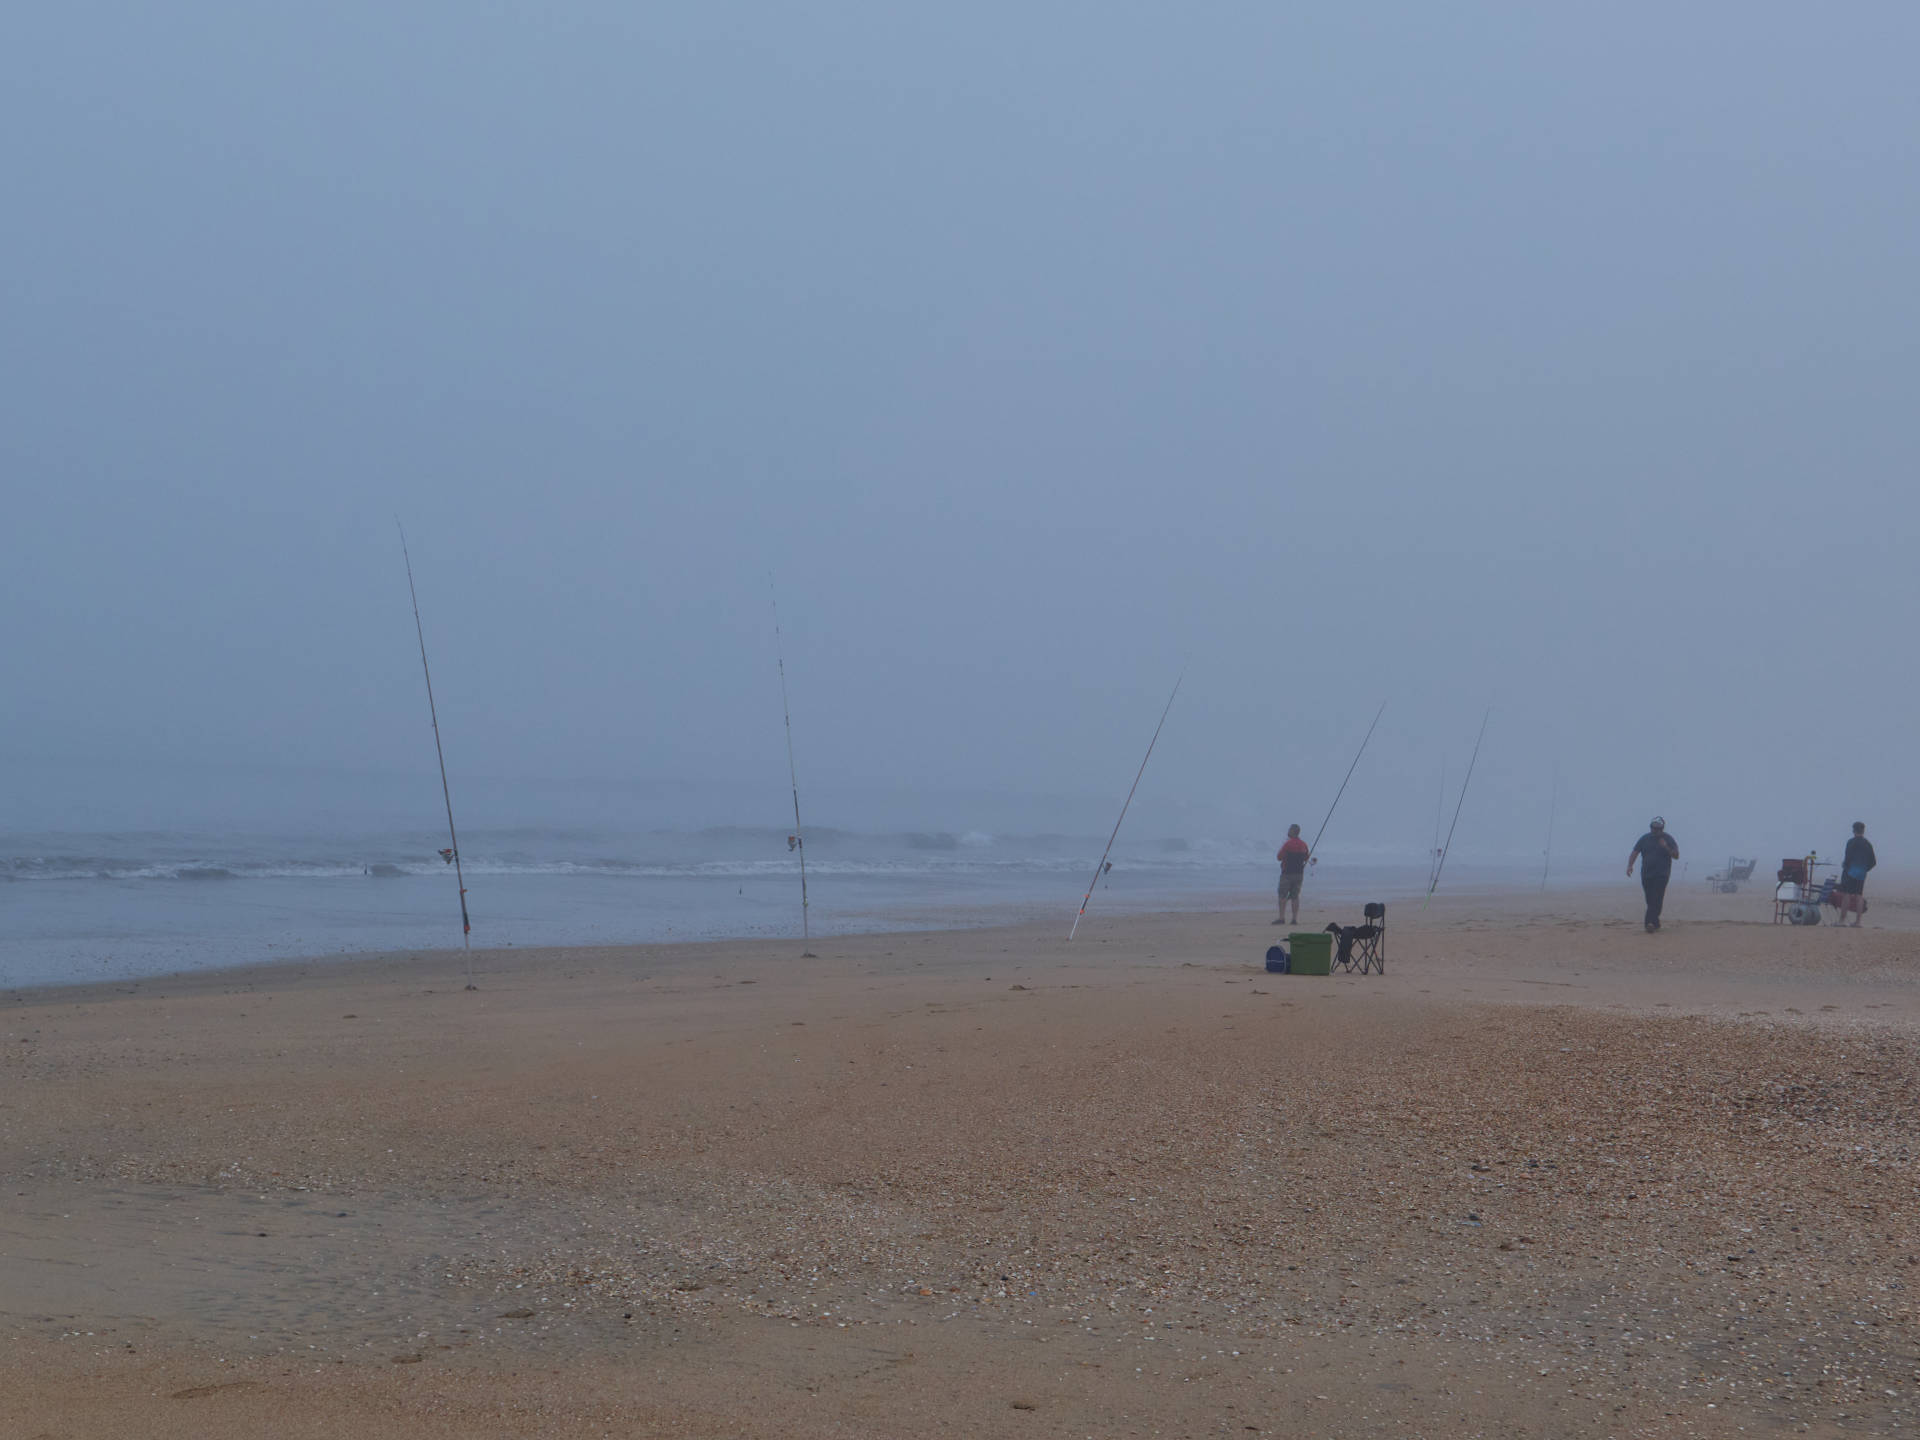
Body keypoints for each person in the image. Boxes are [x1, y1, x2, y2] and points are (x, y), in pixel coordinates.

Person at [1626, 817, 1679, 933]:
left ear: (1662, 829)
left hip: (1662, 874)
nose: (1655, 831)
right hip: (1646, 874)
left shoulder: (1668, 839)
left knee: (1657, 898)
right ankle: (1656, 923)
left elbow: (1676, 855)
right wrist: (1630, 866)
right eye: (1653, 828)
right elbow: (1635, 852)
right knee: (1650, 899)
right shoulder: (1645, 838)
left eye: (1657, 829)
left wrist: (1665, 846)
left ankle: (1649, 923)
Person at [1836, 822, 1876, 927]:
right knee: (1859, 896)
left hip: (1850, 872)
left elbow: (1847, 858)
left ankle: (1842, 921)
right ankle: (1858, 922)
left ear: (1854, 830)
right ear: (1863, 831)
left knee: (1846, 895)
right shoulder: (1868, 844)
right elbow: (1873, 862)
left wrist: (1845, 866)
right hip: (1861, 873)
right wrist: (1864, 869)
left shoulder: (1851, 842)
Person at [1273, 824, 1311, 926]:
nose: (1288, 832)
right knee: (1295, 896)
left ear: (1293, 832)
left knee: (1282, 895)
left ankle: (1281, 918)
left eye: (1289, 830)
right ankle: (1294, 919)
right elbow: (1307, 858)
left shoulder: (1288, 844)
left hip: (1287, 874)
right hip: (1299, 874)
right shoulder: (1303, 844)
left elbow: (1279, 857)